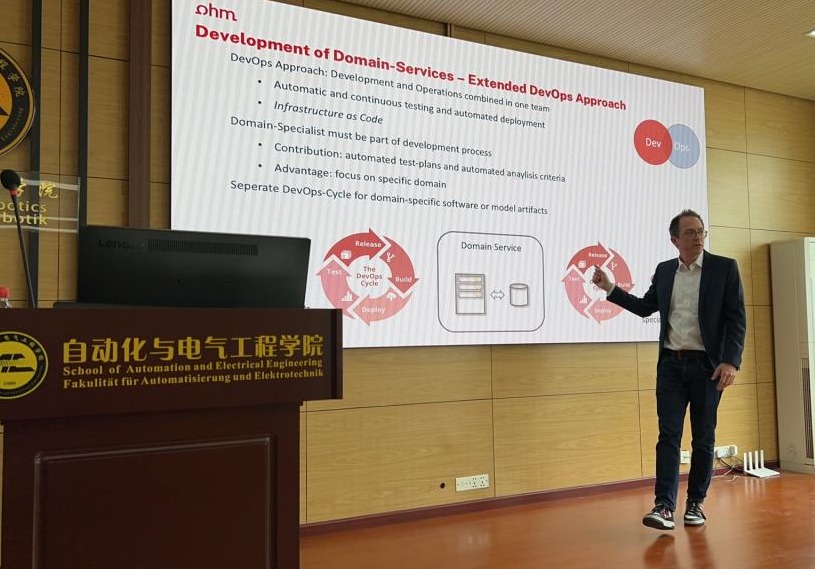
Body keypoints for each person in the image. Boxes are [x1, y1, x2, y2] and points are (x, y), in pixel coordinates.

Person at [592, 209, 746, 530]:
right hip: (671, 367)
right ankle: (663, 506)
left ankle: (695, 504)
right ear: (675, 240)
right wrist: (610, 288)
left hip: (708, 367)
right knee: (668, 436)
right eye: (690, 232)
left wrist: (731, 361)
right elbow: (645, 307)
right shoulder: (665, 271)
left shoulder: (724, 268)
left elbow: (736, 319)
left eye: (701, 231)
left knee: (703, 438)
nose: (697, 237)